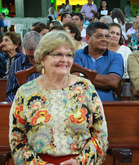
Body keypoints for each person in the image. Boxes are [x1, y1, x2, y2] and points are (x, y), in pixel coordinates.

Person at [9, 30, 108, 164]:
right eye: (58, 54)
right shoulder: (25, 92)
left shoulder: (86, 88)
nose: (65, 60)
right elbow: (17, 140)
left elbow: (100, 135)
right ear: (42, 59)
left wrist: (80, 161)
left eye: (69, 55)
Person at [74, 22, 124, 101]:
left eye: (107, 36)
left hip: (108, 106)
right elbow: (75, 80)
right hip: (81, 104)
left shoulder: (116, 57)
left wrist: (84, 75)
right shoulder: (77, 55)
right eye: (99, 36)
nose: (104, 39)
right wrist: (104, 84)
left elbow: (114, 82)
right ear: (88, 38)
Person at [6, 31, 41, 102]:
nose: (34, 59)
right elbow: (10, 93)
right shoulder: (17, 63)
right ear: (23, 49)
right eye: (30, 57)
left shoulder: (49, 62)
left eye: (37, 55)